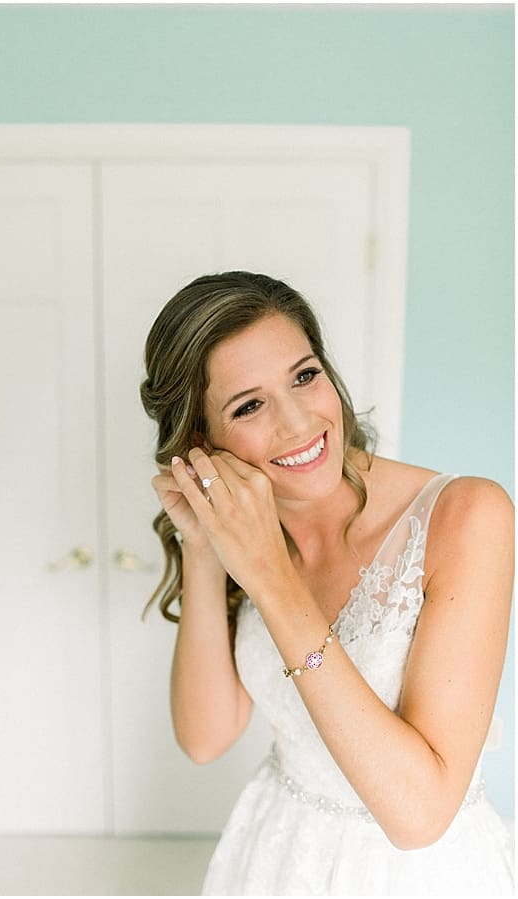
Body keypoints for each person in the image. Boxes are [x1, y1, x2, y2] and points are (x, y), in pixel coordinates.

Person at [140, 271, 514, 894]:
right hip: (278, 852)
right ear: (202, 441)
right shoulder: (248, 525)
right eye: (249, 405)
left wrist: (271, 580)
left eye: (305, 376)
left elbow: (419, 816)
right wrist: (204, 547)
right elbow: (205, 739)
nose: (298, 423)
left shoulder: (467, 515)